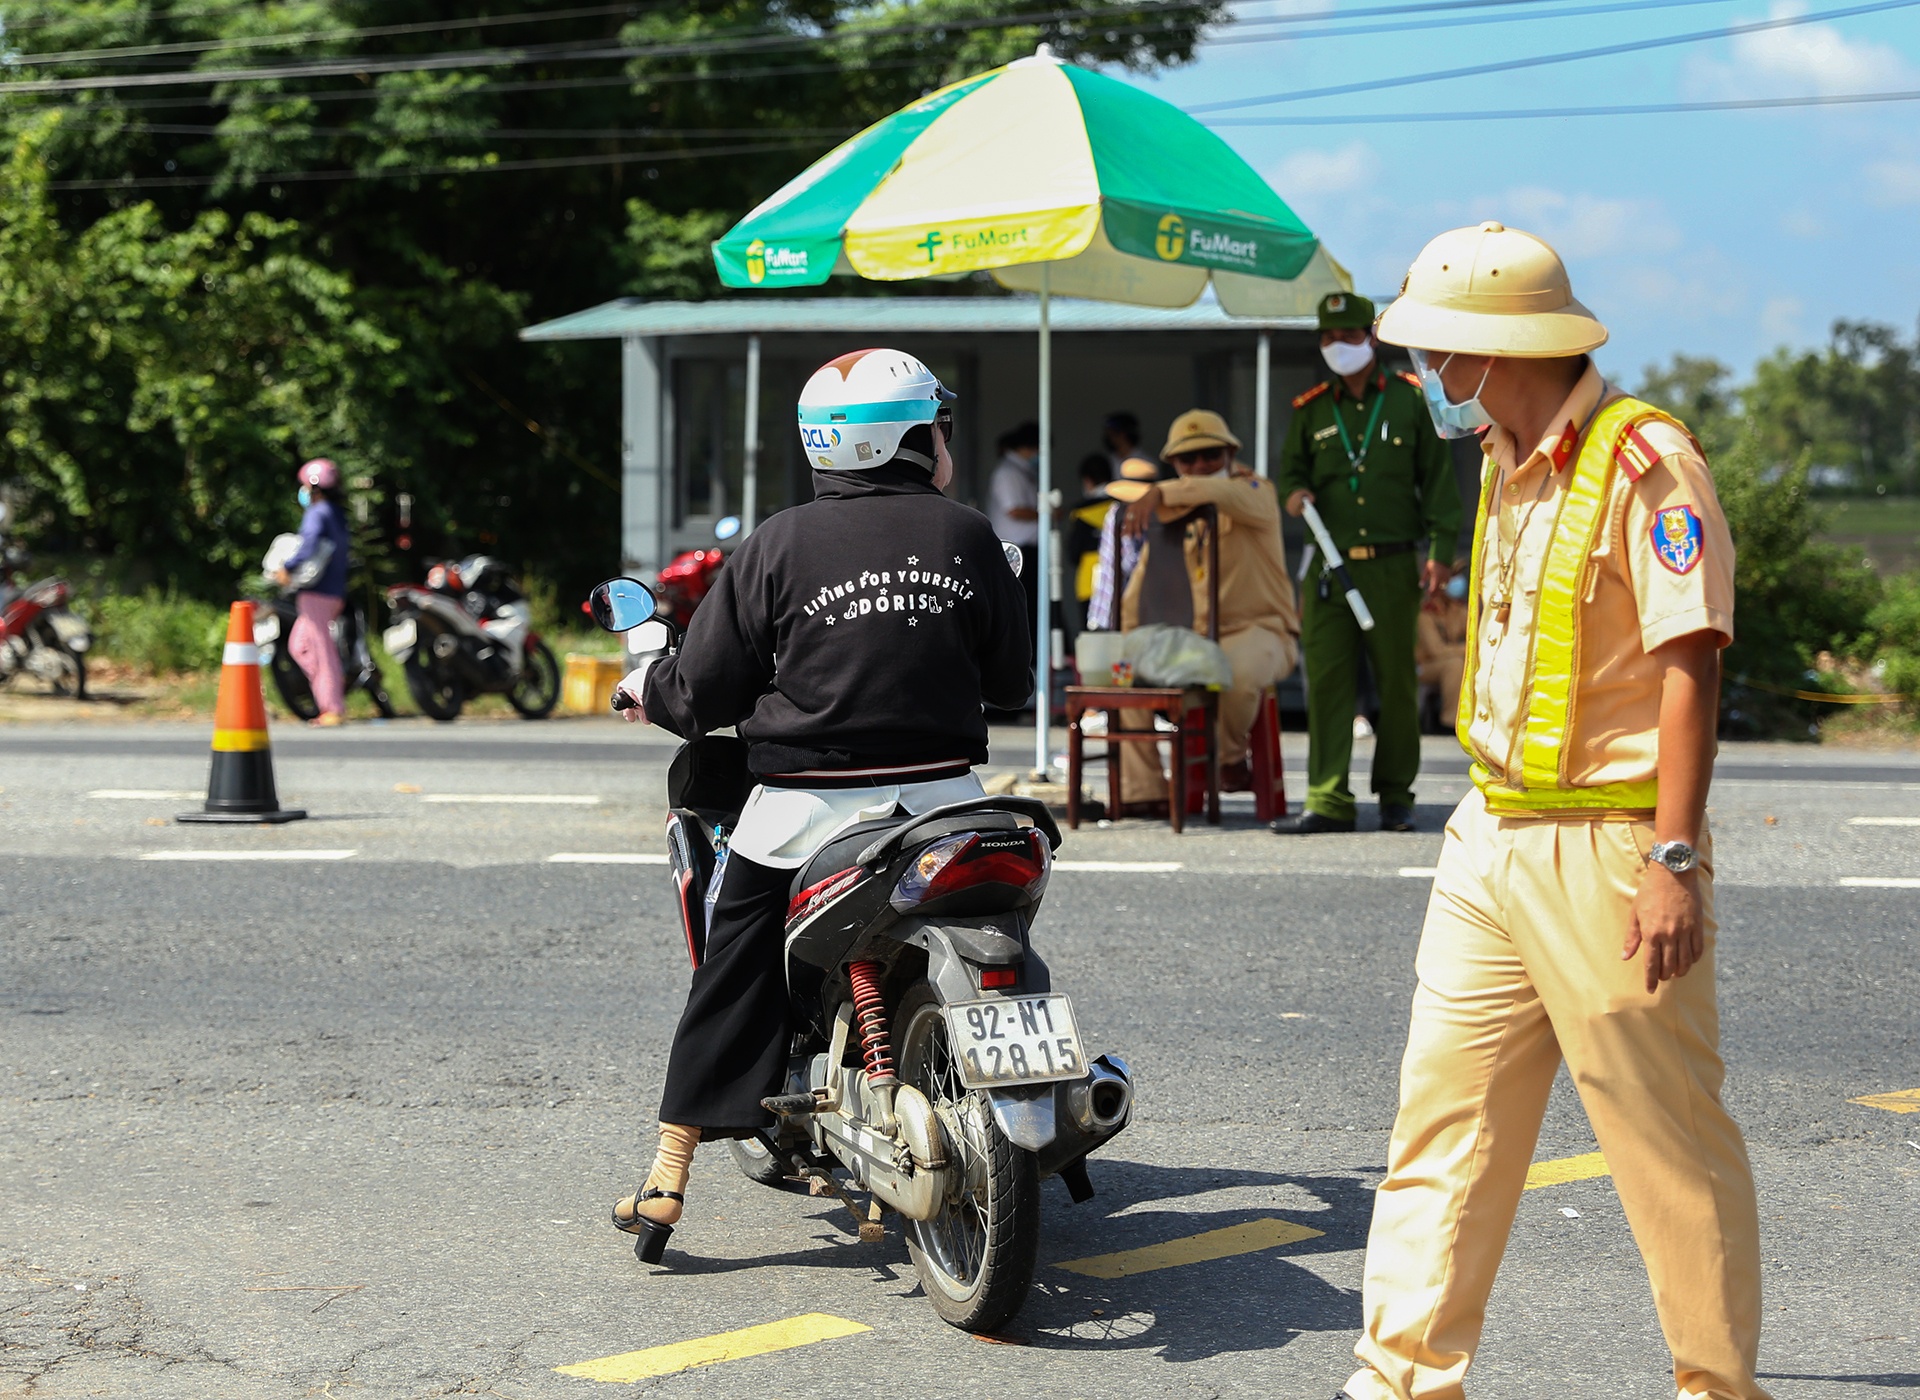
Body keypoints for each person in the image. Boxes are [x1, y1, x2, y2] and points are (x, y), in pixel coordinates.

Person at [1335, 223, 1765, 1400]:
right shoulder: (1499, 456)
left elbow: (1691, 662)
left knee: (1665, 1143)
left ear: (1487, 346)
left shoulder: (1646, 462)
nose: (1421, 371)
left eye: (1432, 351)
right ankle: (1402, 1377)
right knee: (1443, 1123)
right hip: (1490, 833)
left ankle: (1714, 1385)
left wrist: (1673, 856)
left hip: (1616, 843)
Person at [606, 348, 1031, 1253]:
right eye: (937, 425)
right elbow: (1013, 685)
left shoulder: (776, 543)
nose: (944, 439)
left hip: (809, 813)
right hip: (949, 807)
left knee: (734, 964)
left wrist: (651, 686)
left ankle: (669, 1170)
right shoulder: (971, 535)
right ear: (913, 439)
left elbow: (700, 695)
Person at [1274, 291, 1461, 835]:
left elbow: (1439, 486)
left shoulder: (1410, 400)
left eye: (1349, 335)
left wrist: (1441, 554)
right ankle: (1327, 798)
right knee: (1328, 683)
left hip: (1393, 566)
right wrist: (1294, 493)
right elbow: (1290, 474)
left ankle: (1396, 796)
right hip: (1330, 570)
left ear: (1371, 337)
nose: (1339, 345)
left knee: (1396, 682)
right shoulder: (1310, 409)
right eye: (1329, 337)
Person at [1114, 409, 1299, 798]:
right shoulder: (1175, 513)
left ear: (1231, 454)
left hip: (1259, 630)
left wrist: (1162, 491)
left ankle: (1228, 758)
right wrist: (1126, 642)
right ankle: (1145, 793)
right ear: (1174, 464)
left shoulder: (1255, 492)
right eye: (1188, 458)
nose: (1200, 465)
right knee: (1123, 673)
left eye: (1211, 455)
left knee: (1238, 670)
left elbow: (1218, 491)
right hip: (1193, 641)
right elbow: (1139, 592)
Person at [271, 458, 351, 728]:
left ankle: (332, 707)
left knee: (320, 649)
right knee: (300, 646)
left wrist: (287, 567)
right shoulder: (337, 514)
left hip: (317, 593)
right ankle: (328, 691)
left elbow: (307, 546)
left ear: (314, 487)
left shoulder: (318, 513)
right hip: (332, 592)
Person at [986, 421, 1042, 650]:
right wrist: (1046, 512)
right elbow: (1015, 509)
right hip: (1016, 550)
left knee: (1033, 606)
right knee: (1022, 607)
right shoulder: (1007, 473)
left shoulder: (1023, 471)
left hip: (1029, 548)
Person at [1414, 567, 1470, 726]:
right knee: (1454, 665)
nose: (1458, 582)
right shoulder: (1425, 613)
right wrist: (1466, 650)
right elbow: (1436, 651)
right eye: (1453, 577)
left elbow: (1476, 637)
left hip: (1451, 659)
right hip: (1424, 666)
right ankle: (1450, 721)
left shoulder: (1459, 609)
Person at [1102, 411, 1141, 479]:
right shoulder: (1107, 463)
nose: (1110, 438)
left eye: (1112, 433)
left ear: (1123, 434)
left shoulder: (1144, 461)